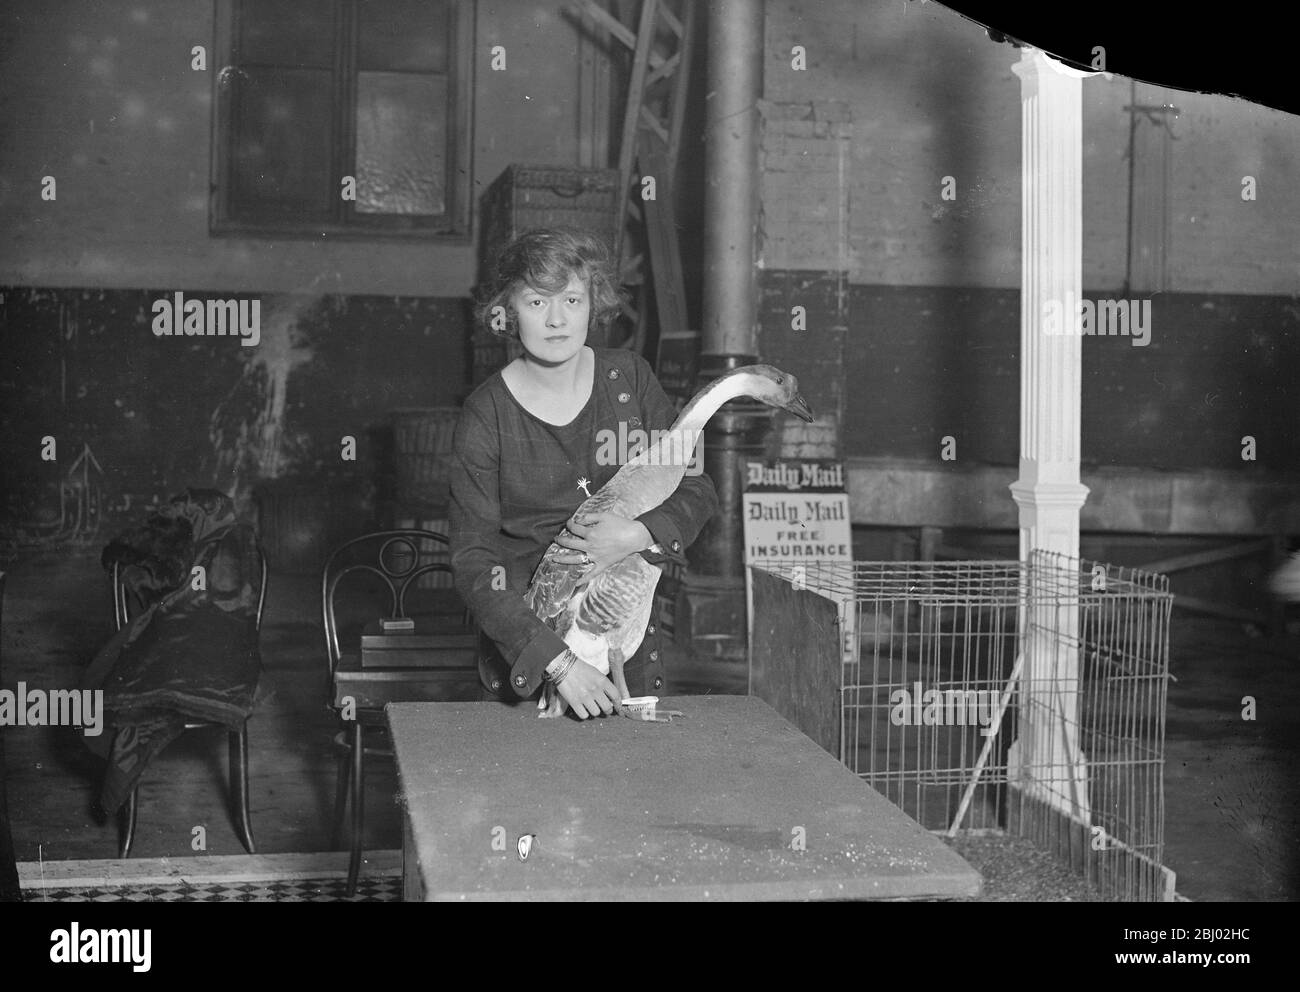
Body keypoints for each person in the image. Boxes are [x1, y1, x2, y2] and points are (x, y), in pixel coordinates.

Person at [450, 227, 718, 719]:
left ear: (594, 302)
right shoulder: (486, 415)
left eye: (572, 299)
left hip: (628, 657)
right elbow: (474, 559)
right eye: (535, 302)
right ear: (507, 311)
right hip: (533, 665)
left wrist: (639, 534)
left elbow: (696, 486)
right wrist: (558, 663)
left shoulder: (630, 382)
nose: (556, 319)